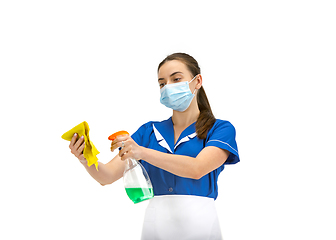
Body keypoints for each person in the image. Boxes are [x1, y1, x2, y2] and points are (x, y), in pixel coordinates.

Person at [69, 53, 240, 240]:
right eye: (162, 83)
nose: (168, 87)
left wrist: (142, 152)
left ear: (197, 81)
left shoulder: (220, 129)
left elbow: (197, 168)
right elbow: (106, 176)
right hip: (157, 225)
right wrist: (85, 158)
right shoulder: (148, 132)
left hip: (200, 225)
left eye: (176, 79)